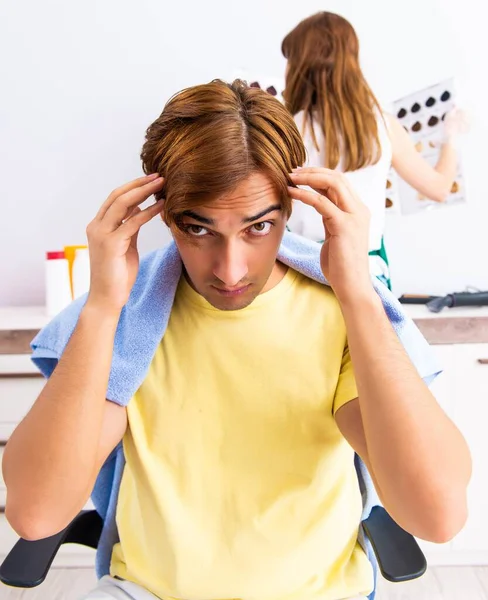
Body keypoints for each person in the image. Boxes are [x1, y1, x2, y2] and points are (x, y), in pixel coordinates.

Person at [2, 80, 471, 600]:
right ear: (162, 213)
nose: (229, 270)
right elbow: (37, 513)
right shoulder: (128, 320)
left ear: (292, 209)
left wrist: (359, 292)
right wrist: (100, 306)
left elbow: (437, 515)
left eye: (258, 227)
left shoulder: (337, 314)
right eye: (199, 230)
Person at [282, 11, 467, 289]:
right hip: (367, 277)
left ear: (299, 66)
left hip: (300, 276)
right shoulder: (383, 125)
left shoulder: (286, 128)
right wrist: (450, 137)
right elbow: (439, 188)